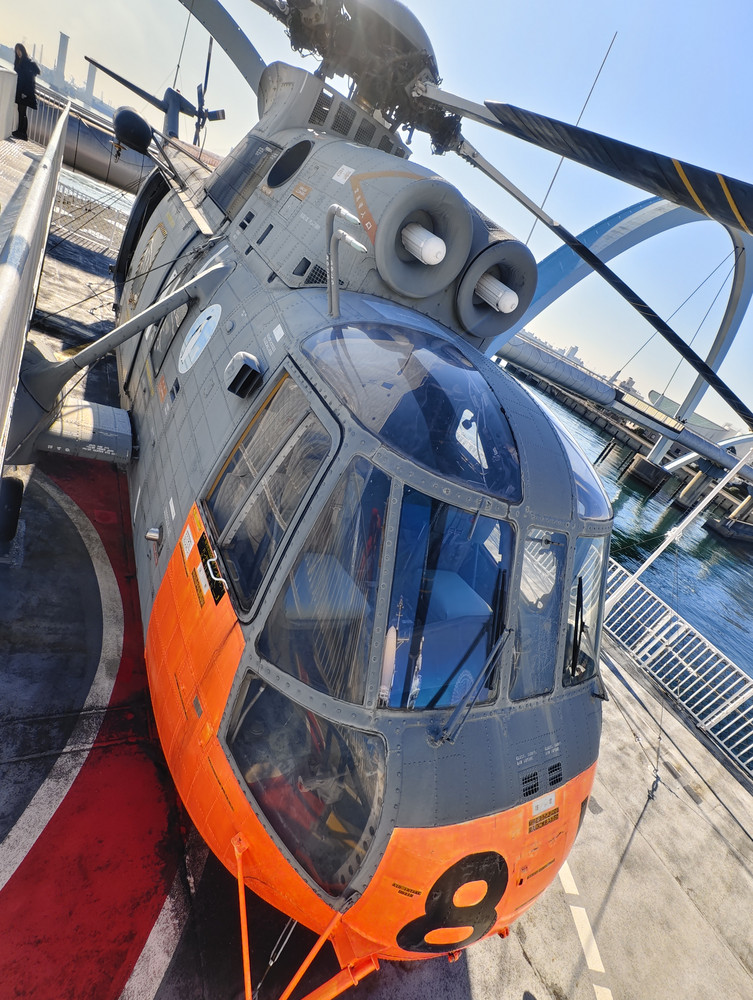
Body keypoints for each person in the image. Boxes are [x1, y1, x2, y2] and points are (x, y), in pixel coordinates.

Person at [12, 43, 39, 141]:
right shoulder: (20, 61)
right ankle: (21, 132)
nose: (18, 52)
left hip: (24, 91)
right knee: (21, 111)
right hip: (21, 90)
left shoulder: (26, 62)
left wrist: (25, 92)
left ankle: (22, 132)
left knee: (22, 111)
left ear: (23, 50)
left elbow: (28, 79)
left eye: (19, 50)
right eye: (17, 50)